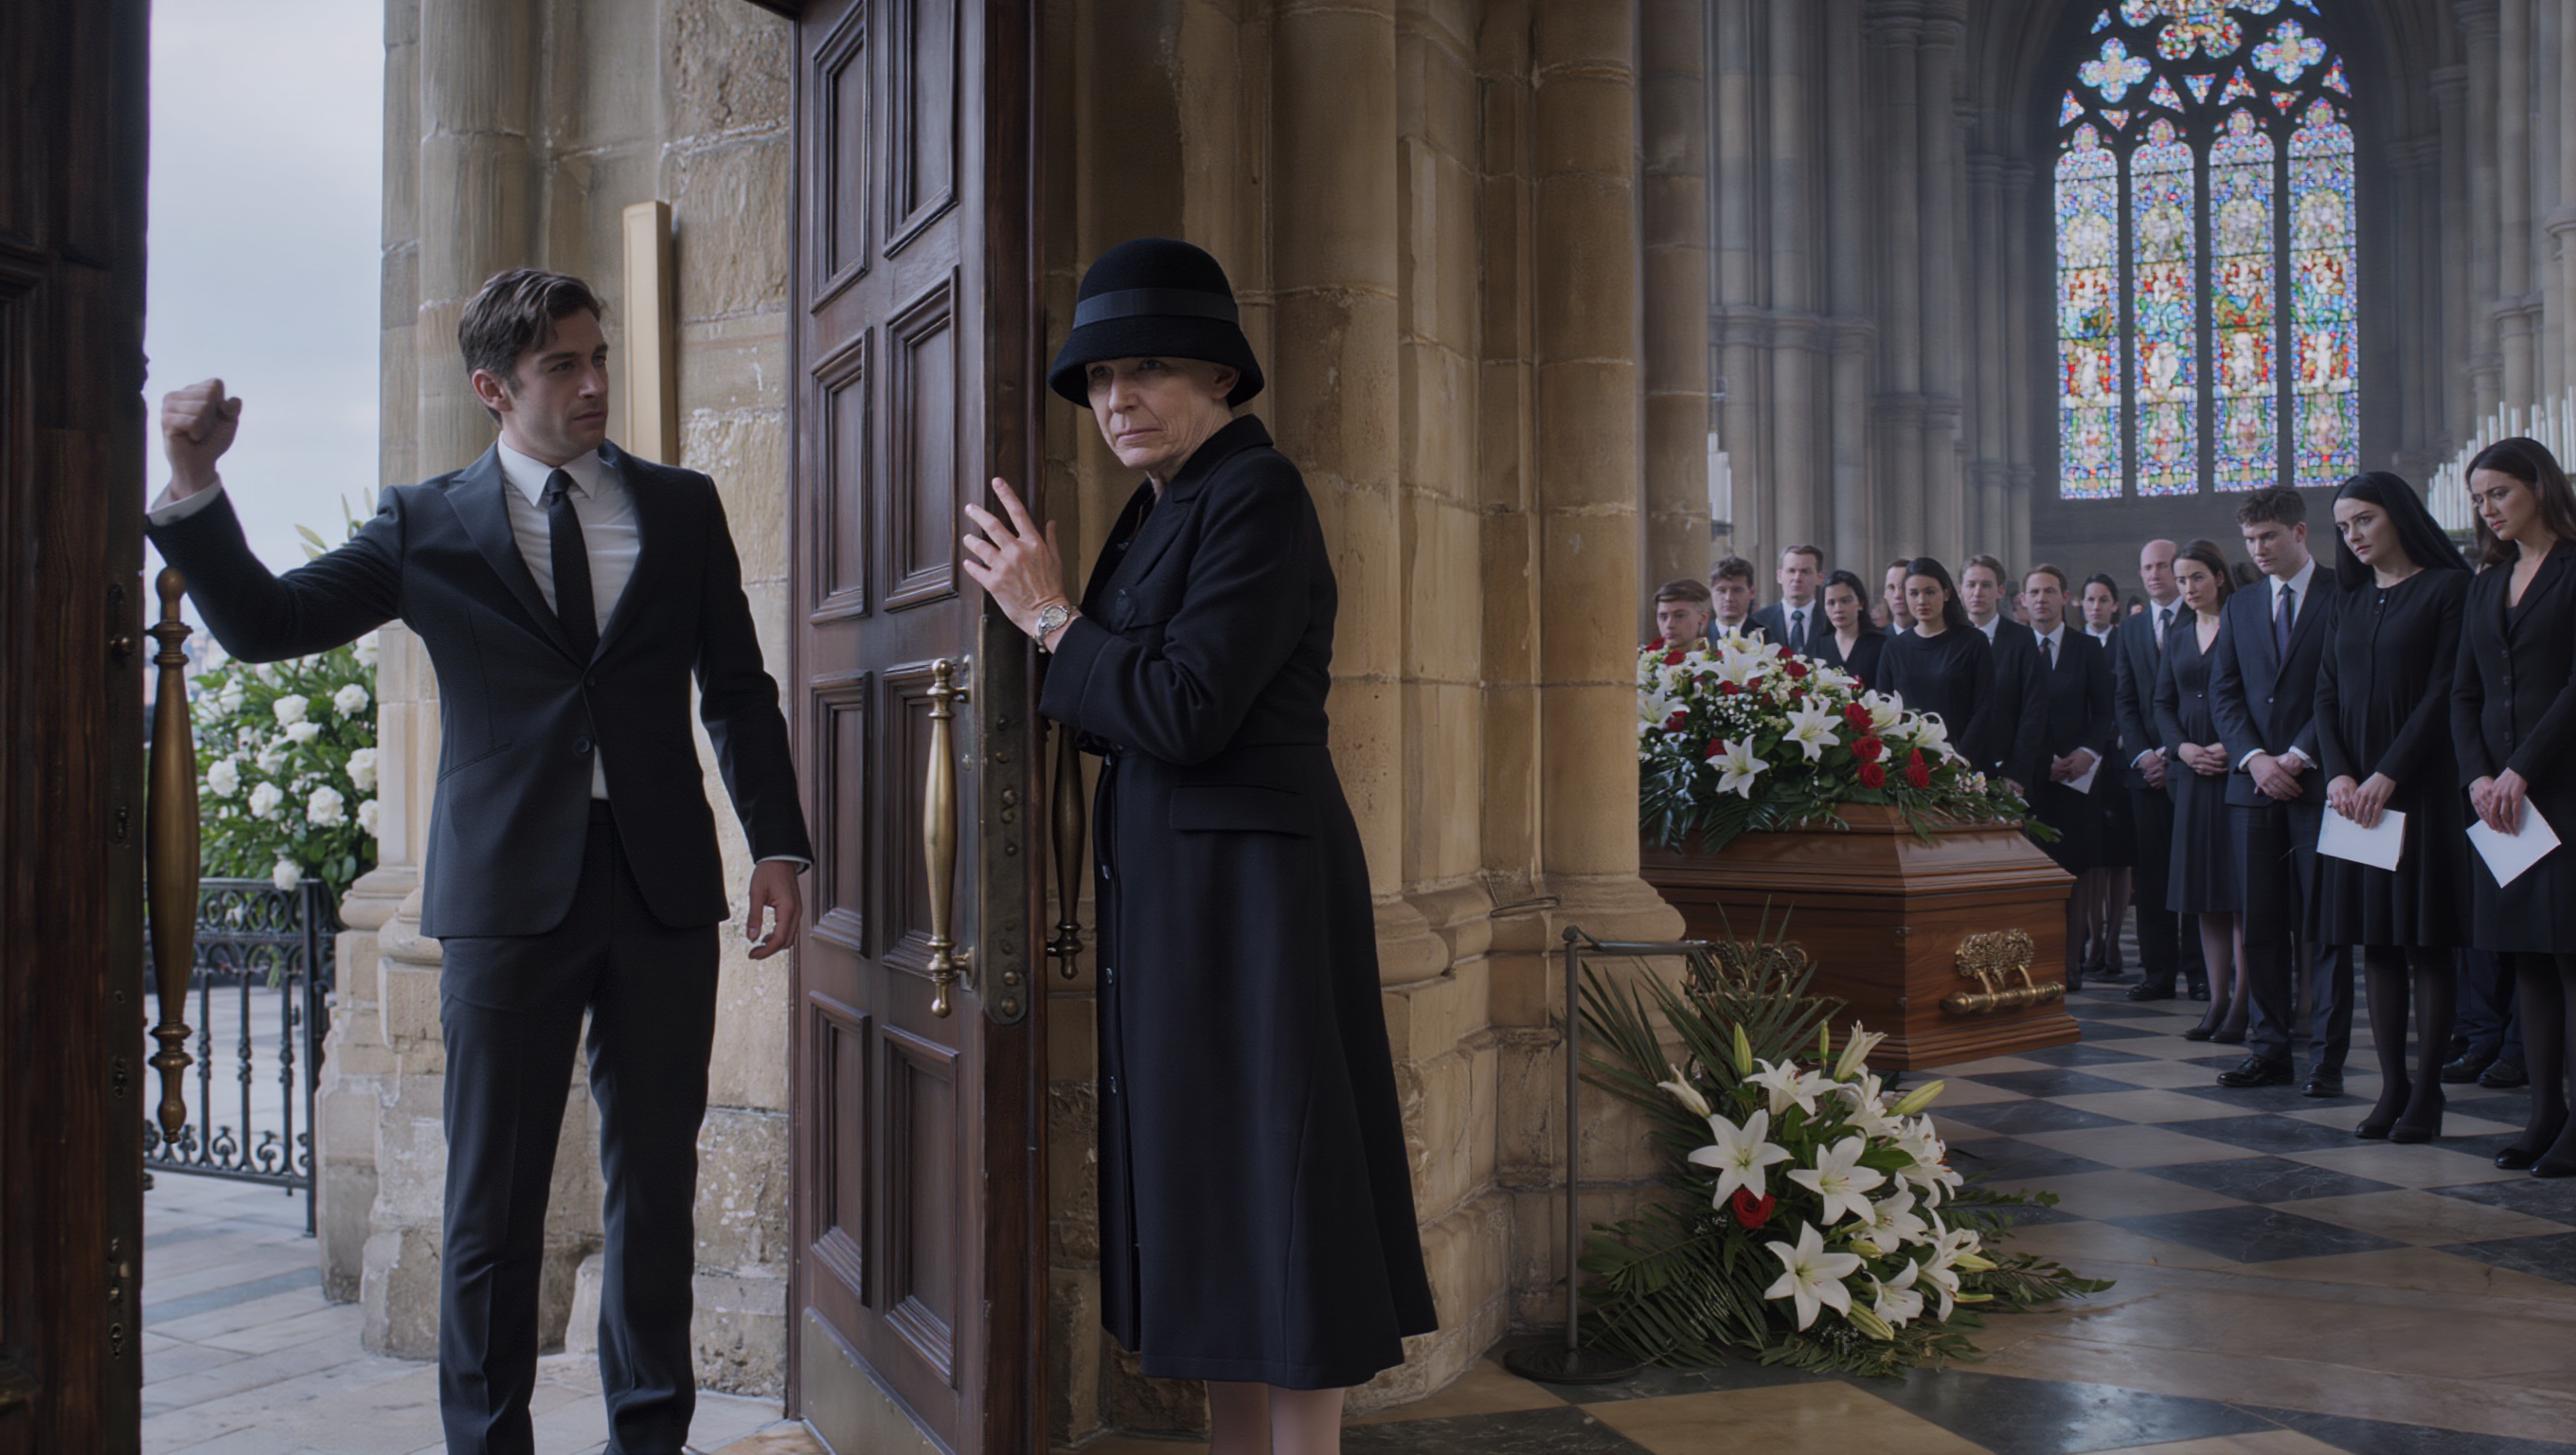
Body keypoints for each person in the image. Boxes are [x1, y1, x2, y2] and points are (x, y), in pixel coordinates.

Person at [150, 269, 814, 1455]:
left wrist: (775, 842)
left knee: (656, 1185)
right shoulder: (424, 523)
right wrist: (196, 483)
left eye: (596, 354)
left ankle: (647, 1439)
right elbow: (265, 625)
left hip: (660, 880)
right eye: (563, 364)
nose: (595, 381)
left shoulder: (681, 506)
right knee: (492, 1201)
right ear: (492, 390)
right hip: (508, 895)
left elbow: (738, 690)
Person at [956, 237, 1438, 1438]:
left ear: (1221, 377)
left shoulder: (1254, 492)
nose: (1118, 400)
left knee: (1282, 1176)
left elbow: (1179, 706)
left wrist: (1050, 618)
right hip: (1184, 889)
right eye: (1102, 378)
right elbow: (1133, 694)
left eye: (1151, 371)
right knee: (1219, 1186)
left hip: (1253, 895)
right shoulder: (1163, 504)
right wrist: (1057, 625)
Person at [2312, 473, 2473, 1142]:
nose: (2354, 536)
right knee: (2374, 942)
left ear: (2399, 516)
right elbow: (2323, 694)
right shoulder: (2347, 600)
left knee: (2425, 942)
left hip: (2421, 791)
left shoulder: (2447, 590)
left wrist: (2388, 773)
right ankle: (2392, 1088)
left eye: (2365, 520)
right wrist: (2341, 773)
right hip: (2354, 801)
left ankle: (2428, 1092)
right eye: (2345, 527)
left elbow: (2445, 692)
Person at [2452, 437, 2576, 1177]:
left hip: (2560, 789)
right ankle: (2544, 1115)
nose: (2488, 509)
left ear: (2538, 484)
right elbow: (2465, 691)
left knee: (2569, 959)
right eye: (2478, 498)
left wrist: (2522, 769)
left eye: (2498, 491)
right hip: (2499, 803)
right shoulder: (2485, 581)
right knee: (2526, 959)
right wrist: (2478, 777)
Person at [2209, 487, 2352, 1098]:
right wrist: (2255, 758)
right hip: (2253, 788)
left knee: (2326, 930)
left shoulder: (2342, 595)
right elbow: (2225, 693)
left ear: (2299, 533)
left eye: (2269, 536)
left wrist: (2295, 755)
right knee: (2262, 928)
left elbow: (2348, 688)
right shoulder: (2240, 605)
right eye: (2250, 540)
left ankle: (2326, 1060)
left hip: (2321, 784)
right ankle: (2268, 1051)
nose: (2259, 549)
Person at [2157, 539, 2250, 1044]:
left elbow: (2258, 693)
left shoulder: (2243, 621)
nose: (2189, 588)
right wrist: (2183, 749)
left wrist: (2232, 748)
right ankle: (2217, 1001)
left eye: (2197, 577)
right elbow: (2161, 702)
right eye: (2183, 579)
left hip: (2238, 768)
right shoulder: (2177, 633)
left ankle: (2244, 1002)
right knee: (2206, 897)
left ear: (2218, 575)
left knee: (2240, 895)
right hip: (2194, 773)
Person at [2114, 540, 2204, 1002]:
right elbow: (2125, 701)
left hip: (2189, 767)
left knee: (2194, 871)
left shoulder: (2200, 617)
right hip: (2144, 772)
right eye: (2146, 567)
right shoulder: (2129, 630)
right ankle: (2157, 971)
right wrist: (2143, 755)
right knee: (2151, 877)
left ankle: (2200, 971)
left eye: (2163, 566)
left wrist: (2173, 753)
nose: (2154, 574)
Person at [2021, 565, 2116, 990]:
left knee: (2073, 872)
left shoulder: (2086, 647)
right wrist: (2039, 761)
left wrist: (2088, 753)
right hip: (2029, 778)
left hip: (2077, 778)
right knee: (2031, 875)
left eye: (2050, 591)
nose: (2041, 599)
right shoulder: (2013, 646)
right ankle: (2032, 963)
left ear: (2065, 598)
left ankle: (2070, 963)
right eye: (2033, 592)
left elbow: (2106, 711)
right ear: (2022, 601)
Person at [1878, 558, 1997, 760]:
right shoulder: (1894, 647)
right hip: (1908, 763)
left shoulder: (1972, 641)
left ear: (1947, 593)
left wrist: (1959, 758)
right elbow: (1884, 708)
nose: (1922, 601)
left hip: (1962, 761)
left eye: (1930, 592)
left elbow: (1984, 708)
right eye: (1914, 593)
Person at [2079, 571, 2137, 982]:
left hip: (2116, 760)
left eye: (2103, 599)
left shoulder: (2124, 641)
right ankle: (2092, 936)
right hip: (2081, 763)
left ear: (2114, 605)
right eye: (2090, 600)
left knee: (2118, 858)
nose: (2096, 606)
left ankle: (2113, 938)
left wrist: (2114, 738)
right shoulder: (2073, 644)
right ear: (2079, 604)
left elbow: (2127, 696)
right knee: (2091, 859)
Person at [1962, 554, 2048, 795]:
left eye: (1986, 585)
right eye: (1971, 585)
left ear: (2000, 591)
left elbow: (2033, 710)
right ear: (1960, 590)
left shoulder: (2021, 639)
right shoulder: (1951, 639)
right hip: (1957, 769)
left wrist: (2017, 772)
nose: (1977, 592)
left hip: (2006, 768)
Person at [1812, 567, 1885, 687]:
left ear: (1860, 603)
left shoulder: (1880, 645)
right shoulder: (1818, 648)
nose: (1838, 609)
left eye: (1845, 601)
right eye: (1831, 603)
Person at [1749, 544, 1826, 655]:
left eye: (1805, 572)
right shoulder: (1758, 620)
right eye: (1791, 571)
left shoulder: (1830, 621)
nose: (1797, 578)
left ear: (1820, 578)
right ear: (1779, 576)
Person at [1653, 578, 1714, 650]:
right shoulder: (1646, 659)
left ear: (1703, 618)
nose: (1669, 625)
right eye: (1663, 617)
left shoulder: (1721, 658)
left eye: (1679, 616)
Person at [1708, 555, 1762, 638]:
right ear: (1711, 592)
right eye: (1721, 590)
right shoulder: (1698, 636)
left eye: (1737, 590)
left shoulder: (1766, 637)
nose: (1728, 598)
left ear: (1752, 592)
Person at [1881, 557, 1912, 634]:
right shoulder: (1877, 641)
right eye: (1891, 587)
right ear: (1885, 594)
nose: (1898, 595)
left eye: (1904, 587)